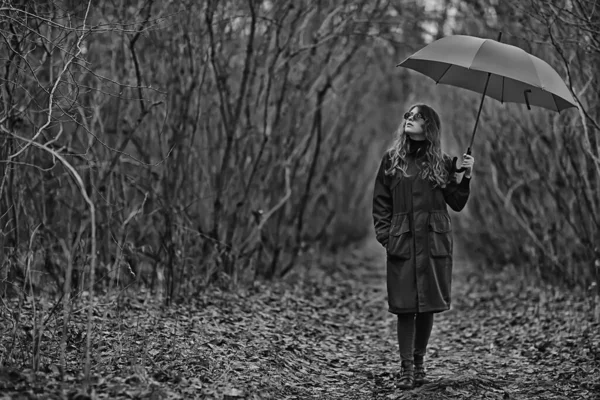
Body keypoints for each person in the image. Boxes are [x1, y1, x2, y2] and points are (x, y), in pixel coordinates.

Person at [372, 103, 474, 390]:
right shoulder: (392, 161)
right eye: (408, 115)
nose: (409, 119)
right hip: (402, 242)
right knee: (405, 306)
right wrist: (386, 236)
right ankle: (405, 368)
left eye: (417, 117)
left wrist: (465, 175)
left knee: (426, 305)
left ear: (429, 125)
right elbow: (380, 202)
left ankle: (418, 364)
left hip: (432, 243)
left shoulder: (441, 163)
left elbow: (456, 202)